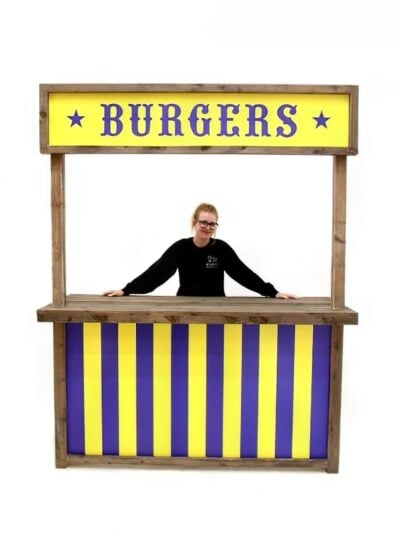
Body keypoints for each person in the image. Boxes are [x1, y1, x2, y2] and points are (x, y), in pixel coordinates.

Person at [104, 203, 295, 299]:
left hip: (217, 307)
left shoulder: (221, 249)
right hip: (184, 307)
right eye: (204, 222)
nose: (208, 227)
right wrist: (126, 290)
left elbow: (243, 274)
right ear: (194, 222)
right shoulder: (181, 248)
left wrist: (273, 292)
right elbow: (156, 273)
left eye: (212, 224)